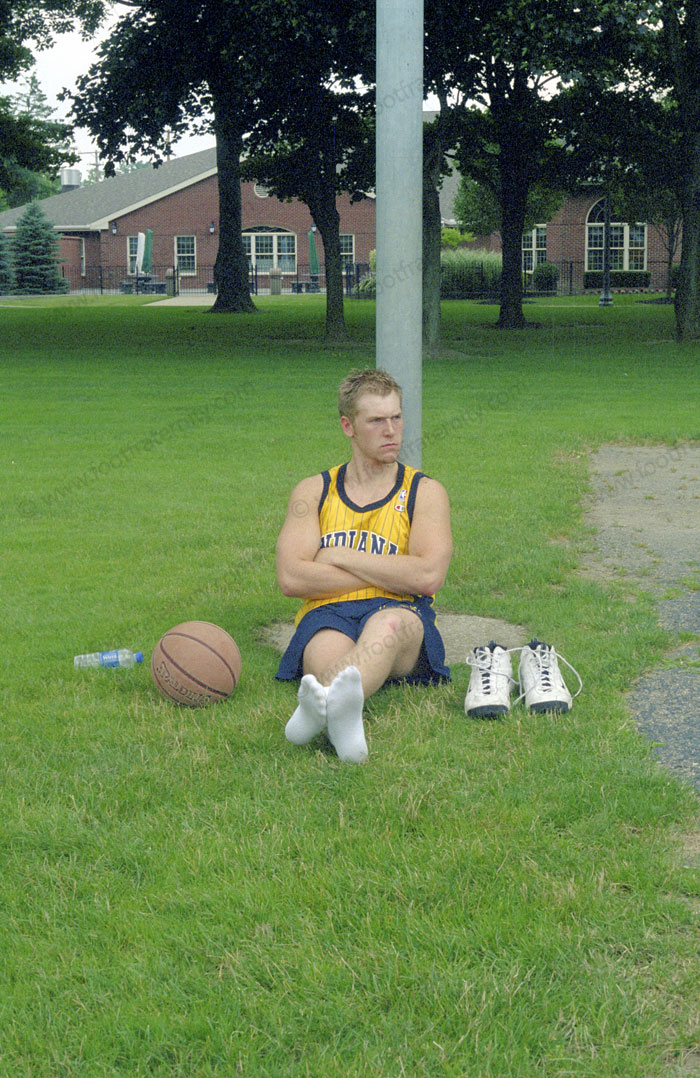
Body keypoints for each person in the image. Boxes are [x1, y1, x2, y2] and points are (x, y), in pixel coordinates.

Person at [275, 368, 453, 764]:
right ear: (348, 426)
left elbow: (427, 576)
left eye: (397, 417)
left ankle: (316, 713)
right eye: (376, 421)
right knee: (329, 657)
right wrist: (393, 572)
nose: (391, 431)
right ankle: (341, 722)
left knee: (387, 625)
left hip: (400, 613)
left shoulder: (424, 492)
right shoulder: (313, 491)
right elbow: (291, 577)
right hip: (328, 613)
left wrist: (340, 555)